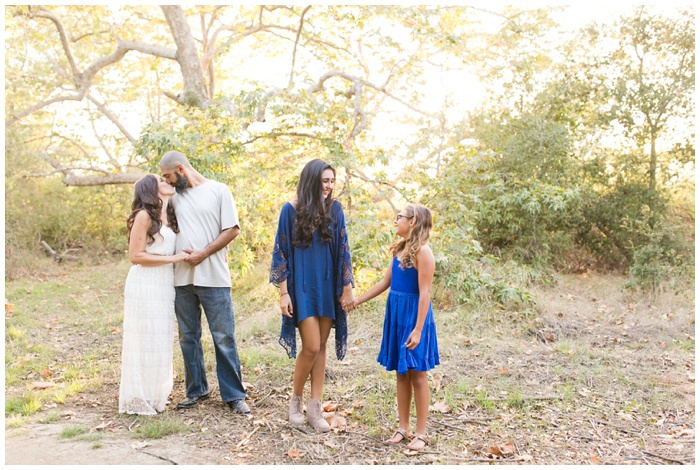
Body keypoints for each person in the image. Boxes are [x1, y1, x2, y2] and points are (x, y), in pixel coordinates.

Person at [159, 150, 250, 415]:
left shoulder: (219, 190)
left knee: (223, 337)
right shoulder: (173, 198)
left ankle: (234, 395)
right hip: (181, 279)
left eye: (168, 176)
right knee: (189, 337)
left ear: (180, 168)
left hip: (215, 277)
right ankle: (196, 389)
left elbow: (232, 229)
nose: (168, 181)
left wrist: (203, 253)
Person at [270, 159, 355, 432]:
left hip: (328, 285)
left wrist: (347, 287)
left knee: (321, 347)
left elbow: (343, 249)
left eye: (332, 181)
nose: (329, 186)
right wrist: (284, 294)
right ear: (311, 181)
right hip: (303, 287)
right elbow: (280, 252)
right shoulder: (290, 210)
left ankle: (315, 408)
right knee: (311, 345)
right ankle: (295, 400)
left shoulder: (336, 210)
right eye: (324, 181)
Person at [351, 204, 440, 450]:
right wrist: (358, 300)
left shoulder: (424, 252)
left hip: (414, 317)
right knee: (402, 374)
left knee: (418, 374)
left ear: (412, 221)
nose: (395, 221)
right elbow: (385, 282)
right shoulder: (399, 250)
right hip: (397, 315)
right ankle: (404, 427)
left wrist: (419, 329)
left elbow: (425, 293)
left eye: (399, 217)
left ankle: (421, 433)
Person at [119, 174, 188, 415]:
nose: (167, 181)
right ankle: (138, 396)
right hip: (144, 283)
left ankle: (156, 395)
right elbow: (136, 256)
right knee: (143, 338)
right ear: (151, 188)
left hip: (164, 283)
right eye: (161, 179)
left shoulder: (168, 216)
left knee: (159, 337)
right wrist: (175, 258)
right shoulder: (144, 216)